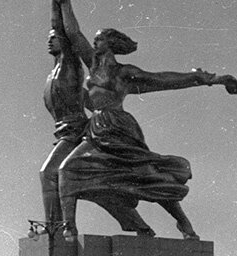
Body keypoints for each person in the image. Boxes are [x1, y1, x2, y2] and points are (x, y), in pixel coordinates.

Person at [56, 0, 237, 242]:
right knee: (67, 169)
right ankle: (69, 227)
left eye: (99, 39)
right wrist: (64, 4)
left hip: (119, 128)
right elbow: (73, 33)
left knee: (147, 176)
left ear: (110, 45)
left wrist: (206, 78)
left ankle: (183, 222)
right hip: (96, 129)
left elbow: (163, 79)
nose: (94, 42)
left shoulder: (124, 72)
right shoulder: (92, 65)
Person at [40, 0, 155, 235]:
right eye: (49, 36)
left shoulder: (70, 62)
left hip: (78, 130)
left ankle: (57, 228)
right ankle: (138, 224)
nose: (49, 39)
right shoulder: (55, 69)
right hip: (67, 131)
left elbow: (67, 29)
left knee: (51, 172)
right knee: (99, 187)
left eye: (54, 37)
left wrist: (62, 5)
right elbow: (58, 27)